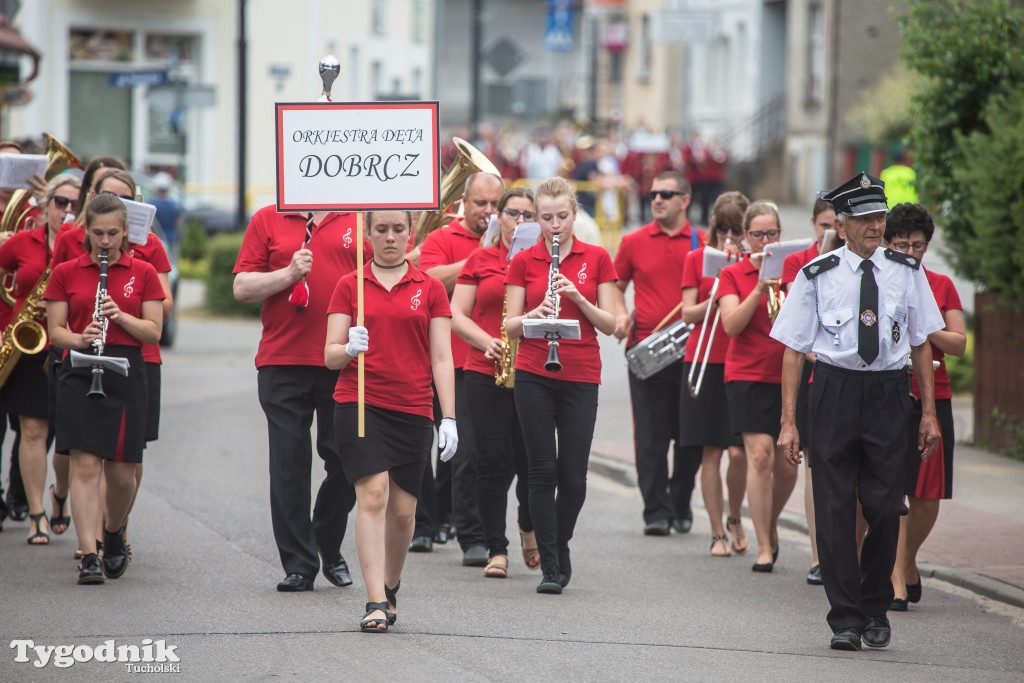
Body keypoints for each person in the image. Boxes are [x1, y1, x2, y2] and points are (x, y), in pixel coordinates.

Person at [772, 172, 944, 651]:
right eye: (865, 219)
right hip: (833, 390)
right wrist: (789, 421)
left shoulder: (906, 272)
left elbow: (921, 343)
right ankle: (846, 616)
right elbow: (792, 349)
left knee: (887, 505)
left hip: (889, 394)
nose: (875, 226)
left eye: (880, 217)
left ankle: (875, 604)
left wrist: (928, 413)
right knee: (833, 507)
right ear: (842, 225)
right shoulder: (816, 276)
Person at [325, 210, 457, 632]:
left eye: (398, 229)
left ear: (411, 233)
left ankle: (390, 584)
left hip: (413, 407)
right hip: (360, 402)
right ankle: (375, 600)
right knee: (374, 496)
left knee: (403, 513)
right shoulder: (350, 286)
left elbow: (441, 356)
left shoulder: (431, 287)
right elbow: (328, 357)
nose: (389, 237)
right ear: (368, 234)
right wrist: (347, 347)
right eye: (380, 229)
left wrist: (449, 417)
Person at [233, 204, 361, 592]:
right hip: (283, 360)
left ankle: (326, 541)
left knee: (345, 461)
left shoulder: (356, 218)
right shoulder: (267, 219)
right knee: (289, 464)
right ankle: (299, 563)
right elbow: (242, 288)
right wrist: (288, 274)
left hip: (339, 360)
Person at [51, 168, 175, 562]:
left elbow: (154, 332)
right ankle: (89, 553)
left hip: (128, 368)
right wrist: (80, 338)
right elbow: (56, 333)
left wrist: (119, 317)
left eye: (113, 234)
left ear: (126, 232)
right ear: (86, 230)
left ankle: (113, 529)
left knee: (122, 474)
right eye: (98, 234)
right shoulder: (66, 272)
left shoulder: (143, 273)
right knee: (86, 466)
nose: (105, 241)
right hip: (81, 368)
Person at [505, 176, 618, 594]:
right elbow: (510, 326)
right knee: (541, 471)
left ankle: (559, 542)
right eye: (546, 218)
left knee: (573, 478)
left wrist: (579, 299)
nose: (555, 226)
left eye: (562, 217)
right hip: (534, 372)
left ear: (575, 214)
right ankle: (551, 565)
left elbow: (611, 324)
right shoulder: (524, 261)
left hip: (581, 375)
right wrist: (538, 311)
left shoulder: (598, 257)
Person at [414, 172, 504, 565]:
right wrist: (477, 258)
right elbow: (426, 279)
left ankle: (459, 523)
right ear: (463, 202)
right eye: (480, 203)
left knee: (473, 451)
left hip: (483, 360)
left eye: (494, 205)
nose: (487, 212)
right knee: (438, 445)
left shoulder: (513, 240)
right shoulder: (440, 239)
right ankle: (430, 525)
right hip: (441, 358)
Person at [451, 188, 538, 578]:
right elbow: (456, 313)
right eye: (513, 212)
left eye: (528, 214)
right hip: (485, 371)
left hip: (534, 372)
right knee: (491, 463)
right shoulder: (480, 258)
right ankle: (496, 548)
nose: (520, 220)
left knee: (532, 464)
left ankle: (528, 524)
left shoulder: (547, 263)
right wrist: (486, 341)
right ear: (498, 217)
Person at [883, 203, 966, 612]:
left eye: (918, 245)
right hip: (890, 392)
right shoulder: (879, 281)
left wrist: (926, 324)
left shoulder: (940, 284)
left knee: (928, 494)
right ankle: (896, 573)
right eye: (902, 245)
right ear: (888, 244)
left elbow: (959, 342)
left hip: (937, 394)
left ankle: (907, 560)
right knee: (894, 486)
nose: (911, 253)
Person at [613, 171, 705, 536]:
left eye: (667, 194)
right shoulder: (633, 241)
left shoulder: (703, 242)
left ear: (685, 199)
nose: (657, 200)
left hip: (691, 352)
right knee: (649, 436)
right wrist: (620, 313)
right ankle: (655, 510)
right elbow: (616, 287)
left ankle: (680, 503)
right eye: (652, 194)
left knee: (689, 436)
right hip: (647, 352)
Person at [716, 200, 798, 572]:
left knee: (787, 467)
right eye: (758, 234)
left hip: (788, 378)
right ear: (746, 237)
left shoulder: (796, 273)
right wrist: (758, 289)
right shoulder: (732, 274)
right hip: (747, 375)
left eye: (772, 234)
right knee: (760, 455)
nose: (765, 240)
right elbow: (731, 325)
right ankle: (764, 545)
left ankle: (770, 521)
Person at [0, 175, 81, 544]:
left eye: (74, 205)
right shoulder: (23, 242)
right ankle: (36, 514)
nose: (66, 210)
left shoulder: (84, 244)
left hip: (68, 343)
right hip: (28, 344)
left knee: (64, 434)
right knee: (32, 431)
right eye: (60, 202)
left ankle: (59, 495)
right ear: (46, 205)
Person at [679, 191, 749, 556]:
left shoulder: (755, 262)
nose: (729, 236)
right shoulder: (698, 259)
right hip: (704, 359)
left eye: (736, 228)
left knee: (739, 453)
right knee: (711, 451)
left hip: (742, 362)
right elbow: (688, 314)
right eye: (722, 228)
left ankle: (735, 515)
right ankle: (717, 531)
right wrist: (720, 292)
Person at [780, 197, 837, 585]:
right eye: (823, 225)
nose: (830, 232)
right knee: (816, 468)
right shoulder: (802, 264)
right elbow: (795, 333)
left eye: (836, 224)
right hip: (812, 376)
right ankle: (818, 555)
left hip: (845, 375)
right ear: (813, 224)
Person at [149, 172, 183, 258]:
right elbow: (179, 222)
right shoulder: (174, 204)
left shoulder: (152, 204)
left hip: (157, 240)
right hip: (172, 238)